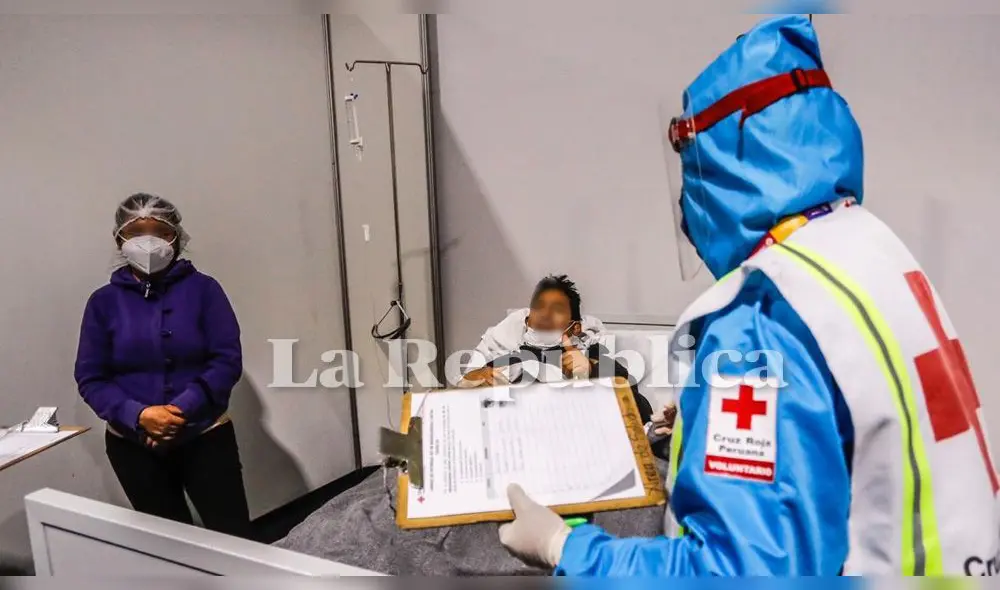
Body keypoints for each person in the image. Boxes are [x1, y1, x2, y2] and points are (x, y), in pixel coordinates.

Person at [497, 15, 1000, 576]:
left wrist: (565, 549)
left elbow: (738, 573)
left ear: (721, 165)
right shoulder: (867, 250)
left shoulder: (762, 313)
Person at [74, 193, 252, 538]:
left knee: (235, 540)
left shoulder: (205, 290)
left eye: (160, 231)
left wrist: (176, 411)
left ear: (177, 238)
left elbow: (226, 360)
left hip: (204, 436)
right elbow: (91, 376)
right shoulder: (102, 303)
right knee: (171, 546)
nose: (149, 241)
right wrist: (139, 416)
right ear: (119, 239)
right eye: (136, 232)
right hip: (132, 447)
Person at [460, 274, 655, 425]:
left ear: (576, 327)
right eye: (538, 307)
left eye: (557, 308)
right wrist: (474, 382)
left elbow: (638, 408)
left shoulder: (592, 354)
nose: (545, 314)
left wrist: (591, 371)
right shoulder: (515, 358)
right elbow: (465, 395)